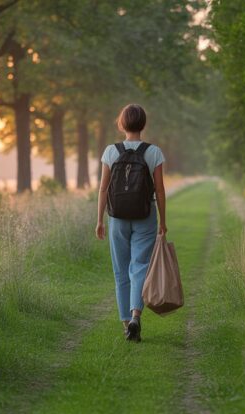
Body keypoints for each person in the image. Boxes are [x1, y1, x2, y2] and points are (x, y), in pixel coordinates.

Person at [96, 104, 167, 342]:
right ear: (143, 124)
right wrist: (163, 222)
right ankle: (136, 315)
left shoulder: (110, 151)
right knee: (140, 267)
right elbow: (160, 189)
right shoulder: (153, 152)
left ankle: (126, 325)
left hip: (116, 217)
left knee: (120, 272)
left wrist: (99, 220)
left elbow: (103, 188)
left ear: (122, 123)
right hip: (145, 215)